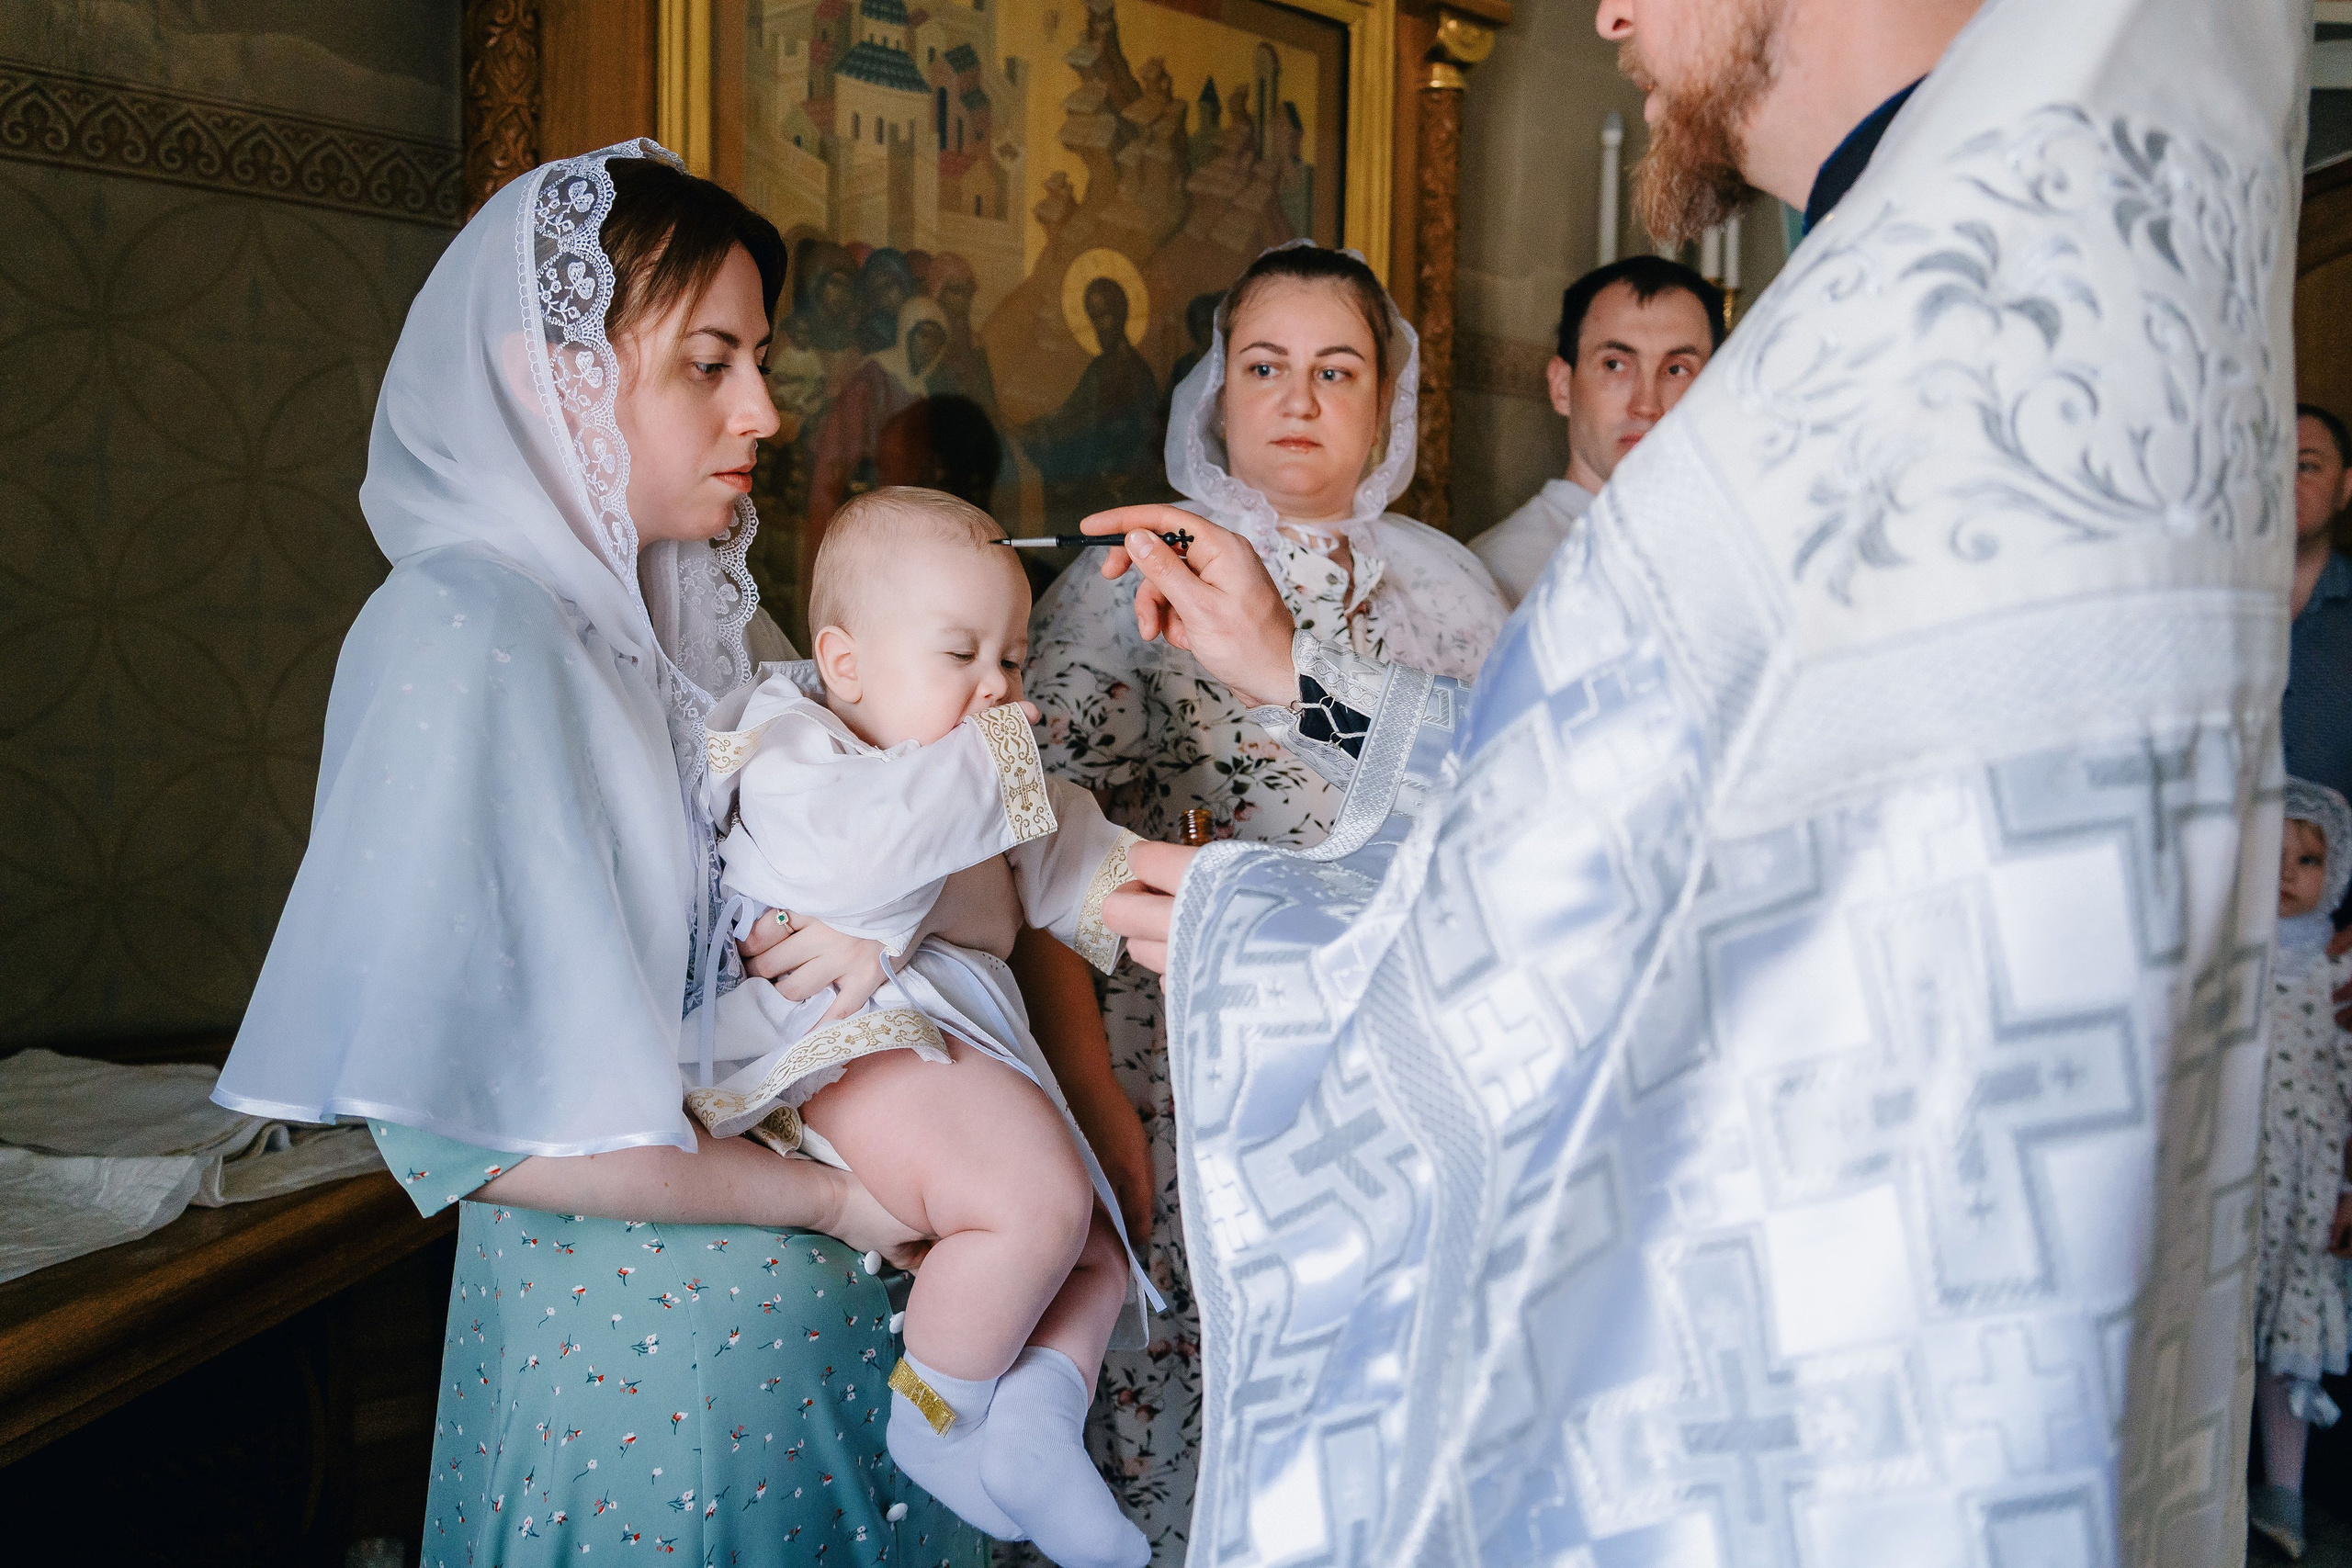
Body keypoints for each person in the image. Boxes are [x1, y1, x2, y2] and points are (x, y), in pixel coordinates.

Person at [1080, 0, 2301, 1559]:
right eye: (1267, 367)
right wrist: (1298, 682)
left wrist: (1269, 942)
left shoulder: (1902, 351)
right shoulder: (2069, 242)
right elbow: (1676, 826)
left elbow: (1638, 918)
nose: (1607, 14)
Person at [209, 143, 985, 1566]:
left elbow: (929, 874)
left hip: (850, 1347)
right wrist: (832, 1196)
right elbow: (465, 1138)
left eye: (762, 358)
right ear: (552, 374)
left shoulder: (704, 637)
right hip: (649, 1381)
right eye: (707, 363)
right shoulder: (462, 629)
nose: (763, 406)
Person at [1020, 241, 1507, 1565]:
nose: (1298, 399)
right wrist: (1089, 1088)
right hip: (1180, 1063)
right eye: (1265, 366)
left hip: (1383, 1062)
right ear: (1215, 387)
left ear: (1387, 399)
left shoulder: (1455, 588)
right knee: (1187, 1382)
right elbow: (1030, 845)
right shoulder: (1129, 581)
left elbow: (1505, 817)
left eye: (1335, 369)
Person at [687, 486, 1157, 1568]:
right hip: (854, 1042)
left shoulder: (967, 767)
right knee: (1032, 1204)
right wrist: (989, 775)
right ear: (847, 664)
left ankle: (1034, 1426)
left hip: (959, 1039)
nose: (997, 687)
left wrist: (1195, 894)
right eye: (962, 654)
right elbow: (851, 857)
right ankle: (933, 1418)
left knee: (1093, 1251)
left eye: (1013, 656)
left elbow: (1073, 859)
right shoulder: (789, 739)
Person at [1466, 255, 1724, 606]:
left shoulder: (1739, 558)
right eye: (1615, 365)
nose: (1646, 405)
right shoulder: (1498, 575)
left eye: (1677, 370)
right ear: (1562, 387)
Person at [2253, 779, 2352, 1561]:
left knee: (2291, 1341)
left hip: (2310, 1184)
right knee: (2227, 1326)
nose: (2290, 875)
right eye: (2273, 857)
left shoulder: (2336, 969)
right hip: (2243, 1177)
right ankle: (2216, 1477)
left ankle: (2284, 1491)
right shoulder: (2238, 962)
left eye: (2309, 859)